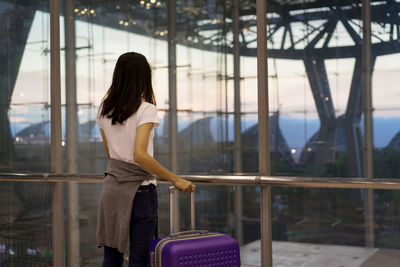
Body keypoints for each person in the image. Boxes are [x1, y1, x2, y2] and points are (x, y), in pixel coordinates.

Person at [96, 52, 194, 267]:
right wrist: (175, 179)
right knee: (140, 259)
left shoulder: (104, 109)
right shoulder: (146, 109)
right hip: (140, 190)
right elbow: (139, 155)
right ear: (144, 78)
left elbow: (111, 155)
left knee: (111, 258)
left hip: (112, 188)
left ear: (118, 76)